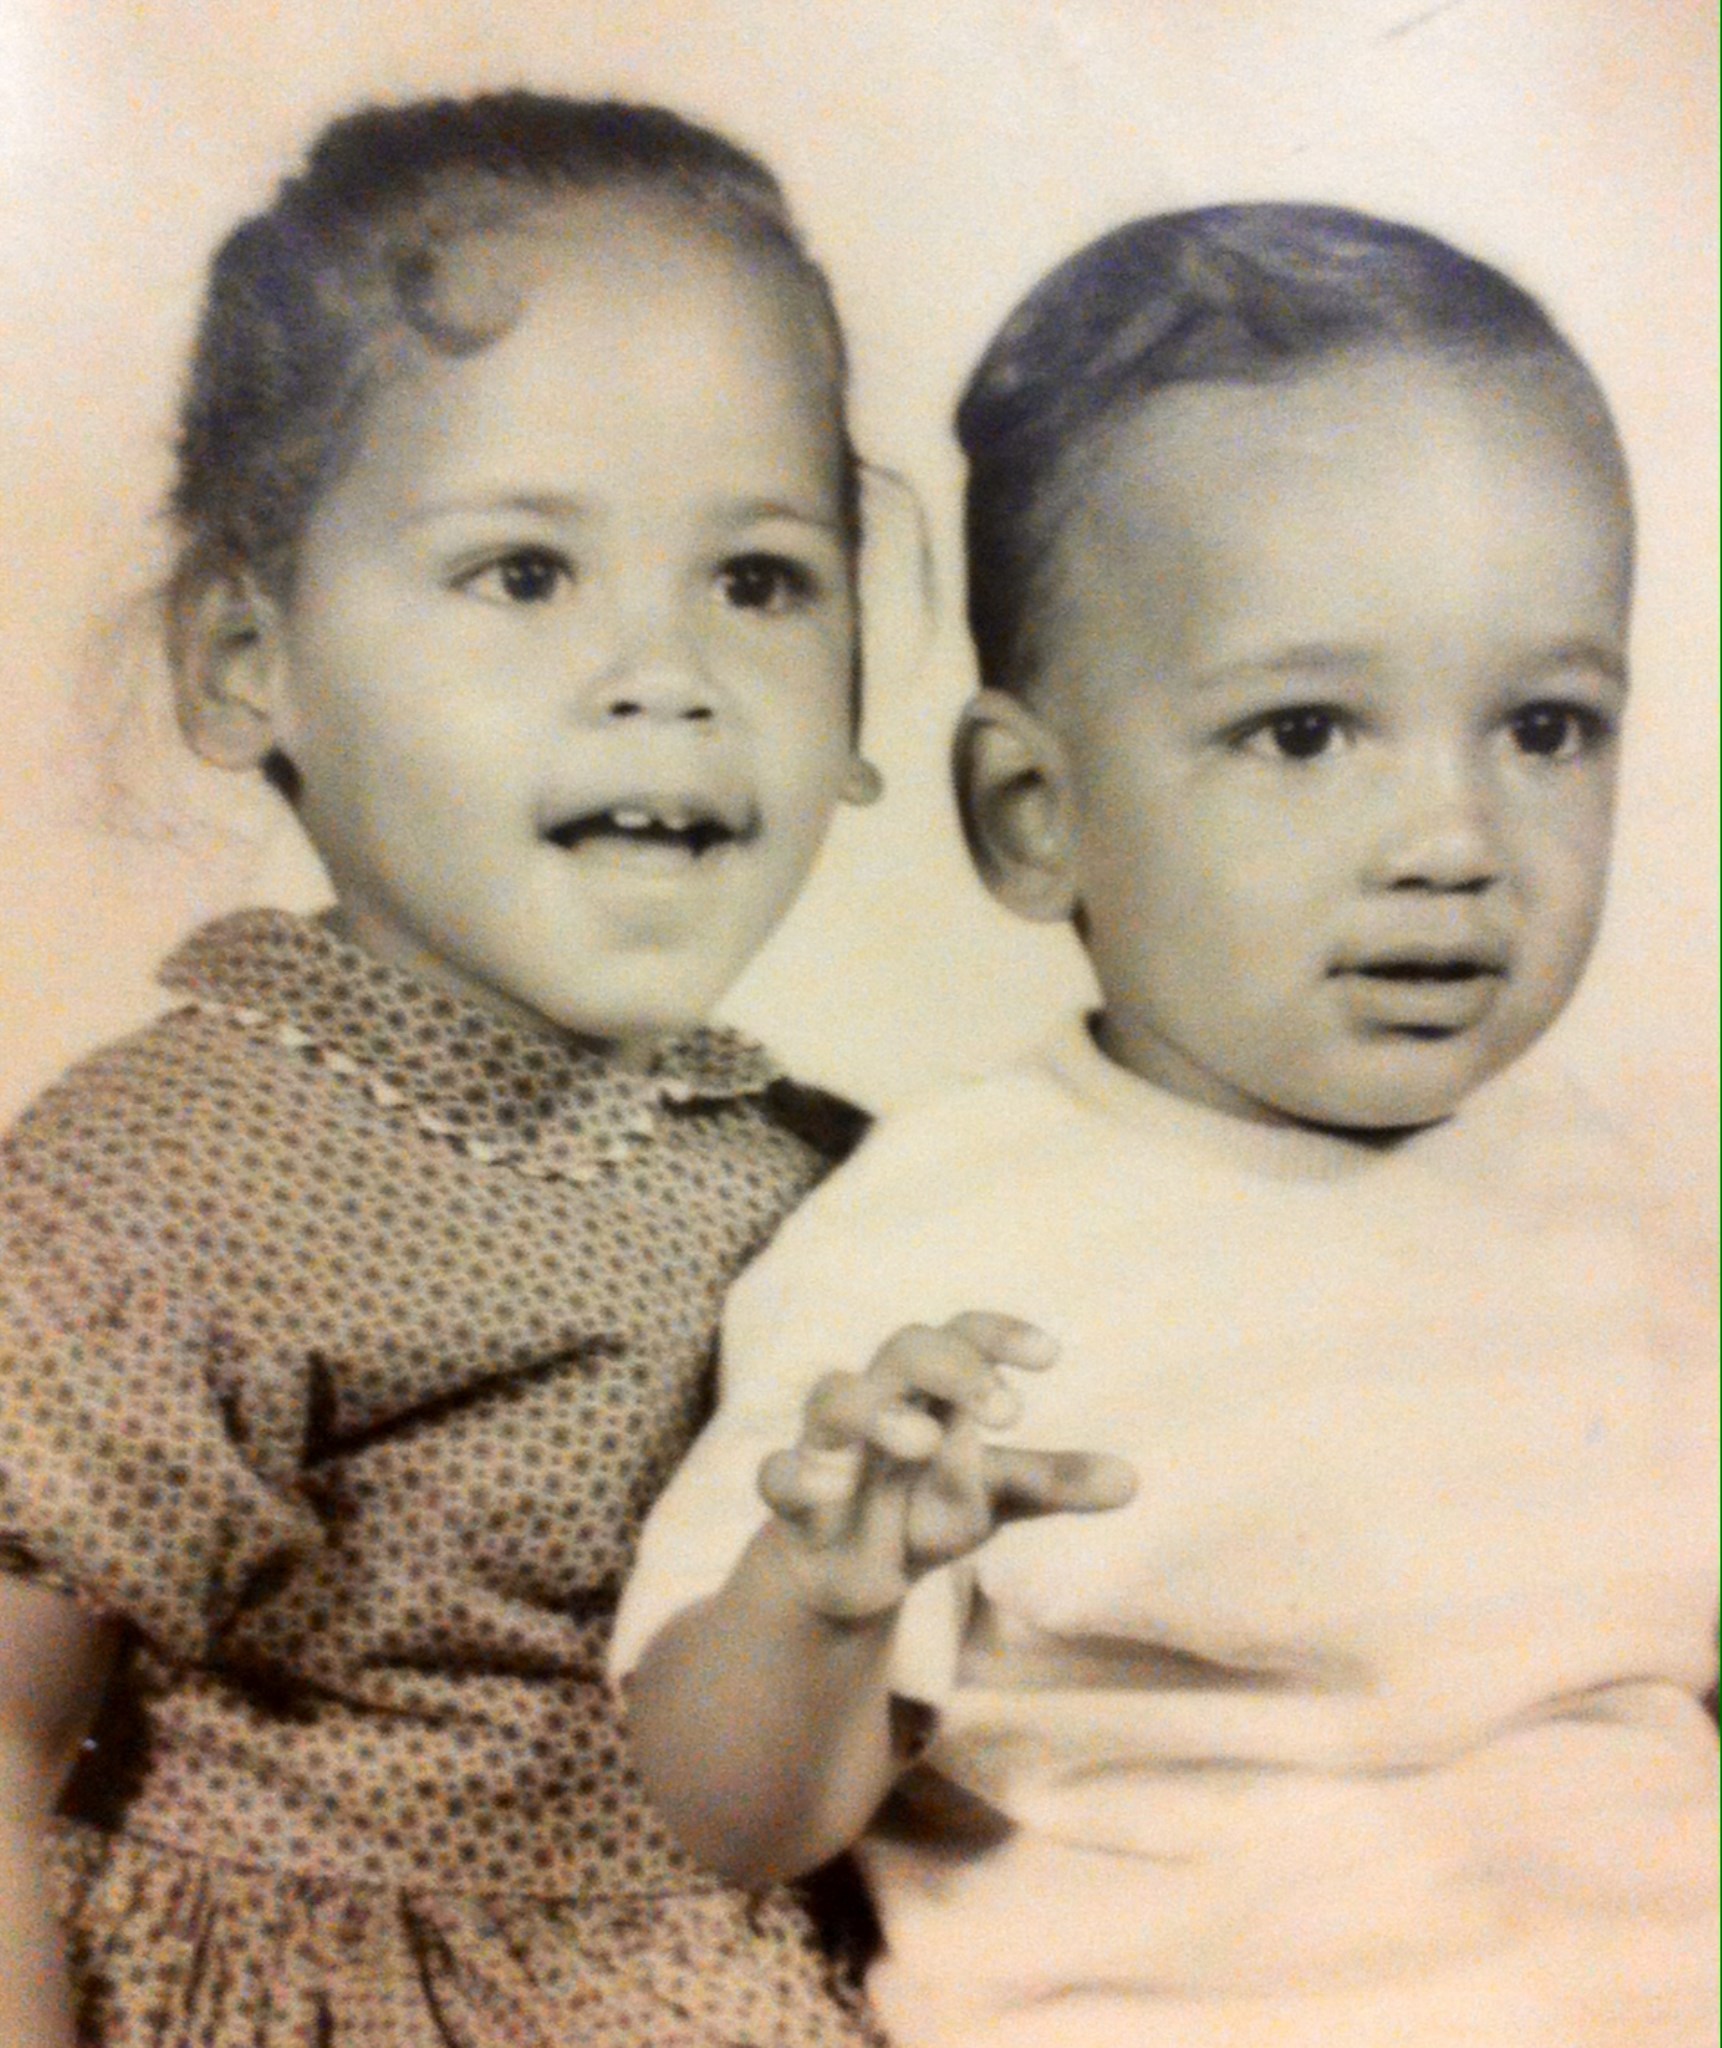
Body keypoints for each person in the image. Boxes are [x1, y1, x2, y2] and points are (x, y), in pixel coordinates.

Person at [612, 204, 1721, 2047]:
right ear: (1032, 813)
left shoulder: (1634, 1209)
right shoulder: (949, 1246)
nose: (1453, 840)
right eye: (1302, 734)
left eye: (1541, 727)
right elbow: (723, 1816)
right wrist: (818, 1601)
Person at [0, 87, 895, 2047]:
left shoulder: (836, 1176)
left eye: (757, 580)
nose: (668, 678)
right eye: (524, 573)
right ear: (246, 655)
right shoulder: (169, 1179)